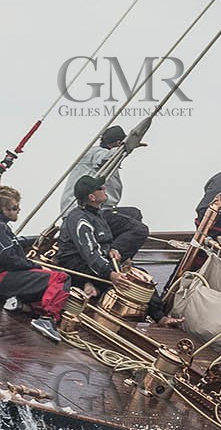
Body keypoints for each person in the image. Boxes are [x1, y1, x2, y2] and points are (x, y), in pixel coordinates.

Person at [0, 185, 70, 341]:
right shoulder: (0, 228)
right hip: (4, 278)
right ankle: (47, 319)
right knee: (61, 278)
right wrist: (36, 266)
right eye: (14, 207)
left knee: (43, 282)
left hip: (5, 278)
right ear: (3, 209)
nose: (18, 210)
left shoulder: (4, 228)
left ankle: (20, 305)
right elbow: (8, 259)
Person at [57, 175, 149, 291]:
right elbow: (90, 253)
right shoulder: (80, 220)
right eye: (100, 188)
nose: (105, 188)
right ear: (92, 197)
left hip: (98, 262)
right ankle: (90, 284)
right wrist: (110, 274)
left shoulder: (96, 214)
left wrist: (114, 249)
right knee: (137, 288)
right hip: (82, 267)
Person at [58, 125, 138, 213]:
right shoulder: (95, 153)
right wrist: (127, 147)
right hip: (81, 210)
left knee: (132, 213)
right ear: (118, 143)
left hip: (99, 209)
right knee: (132, 216)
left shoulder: (109, 164)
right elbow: (107, 158)